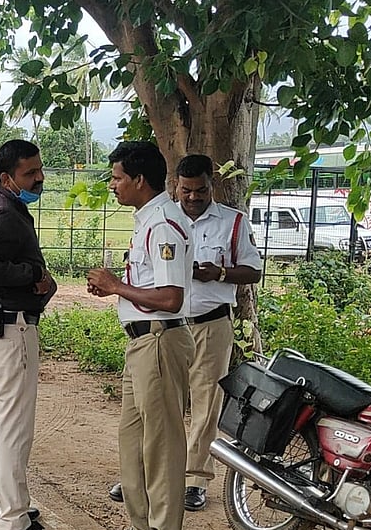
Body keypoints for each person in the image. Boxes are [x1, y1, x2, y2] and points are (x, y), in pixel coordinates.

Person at [105, 154, 263, 511]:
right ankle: (147, 476)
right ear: (175, 185)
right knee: (158, 409)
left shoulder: (231, 222)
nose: (193, 197)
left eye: (201, 190)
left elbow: (253, 270)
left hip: (209, 321)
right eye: (187, 190)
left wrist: (219, 273)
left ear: (212, 186)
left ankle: (193, 479)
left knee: (206, 403)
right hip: (168, 326)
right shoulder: (163, 218)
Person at [86, 141, 193, 530]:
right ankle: (141, 528)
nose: (112, 186)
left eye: (117, 178)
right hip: (141, 344)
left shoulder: (165, 225)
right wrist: (119, 290)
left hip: (160, 343)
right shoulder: (148, 220)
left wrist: (116, 287)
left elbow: (171, 298)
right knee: (133, 441)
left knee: (162, 446)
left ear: (139, 180)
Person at [0, 138, 69, 530]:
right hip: (10, 326)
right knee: (14, 424)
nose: (39, 178)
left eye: (39, 170)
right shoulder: (3, 213)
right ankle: (14, 520)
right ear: (7, 178)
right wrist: (32, 276)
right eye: (30, 173)